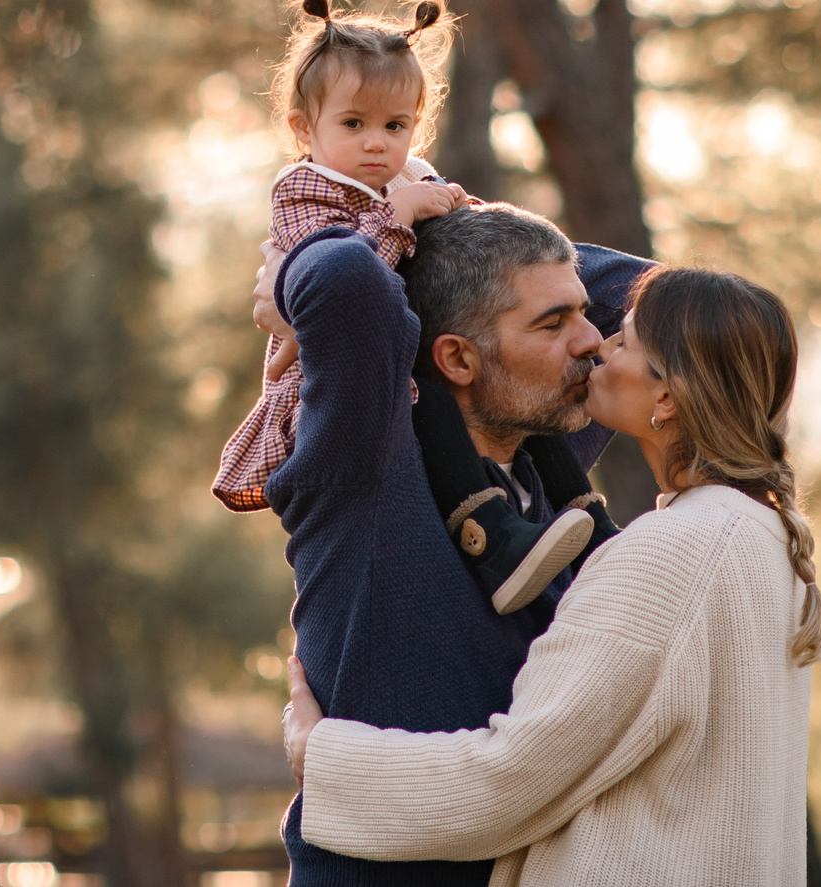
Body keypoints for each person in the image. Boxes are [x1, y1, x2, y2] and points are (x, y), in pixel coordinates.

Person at [282, 266, 821, 887]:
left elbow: (509, 780)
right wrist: (413, 225)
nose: (596, 343)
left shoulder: (668, 555)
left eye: (621, 340)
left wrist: (320, 756)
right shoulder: (761, 536)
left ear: (668, 398)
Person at [259, 202, 644, 887]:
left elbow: (645, 294)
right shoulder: (367, 462)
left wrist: (456, 208)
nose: (592, 339)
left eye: (579, 312)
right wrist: (381, 215)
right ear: (458, 358)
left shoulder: (548, 465)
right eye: (552, 322)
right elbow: (346, 278)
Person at [211, 0, 608, 611]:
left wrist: (456, 210)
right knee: (430, 411)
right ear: (302, 127)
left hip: (411, 360)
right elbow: (341, 283)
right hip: (341, 388)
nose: (377, 143)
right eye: (354, 124)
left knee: (529, 380)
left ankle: (584, 521)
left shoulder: (409, 177)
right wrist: (398, 216)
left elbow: (481, 238)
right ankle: (490, 534)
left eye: (395, 126)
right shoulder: (305, 193)